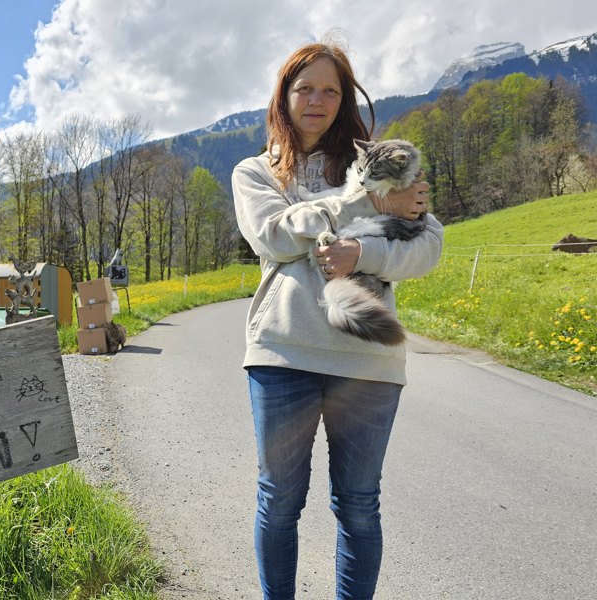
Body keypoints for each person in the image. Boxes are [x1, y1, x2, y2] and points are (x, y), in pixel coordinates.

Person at [231, 38, 444, 600]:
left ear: (345, 97)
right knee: (279, 502)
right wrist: (359, 204)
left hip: (368, 362)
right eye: (305, 87)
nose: (317, 100)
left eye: (331, 89)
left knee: (359, 505)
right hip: (284, 354)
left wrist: (364, 254)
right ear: (285, 95)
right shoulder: (255, 172)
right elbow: (274, 237)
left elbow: (429, 243)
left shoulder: (375, 163)